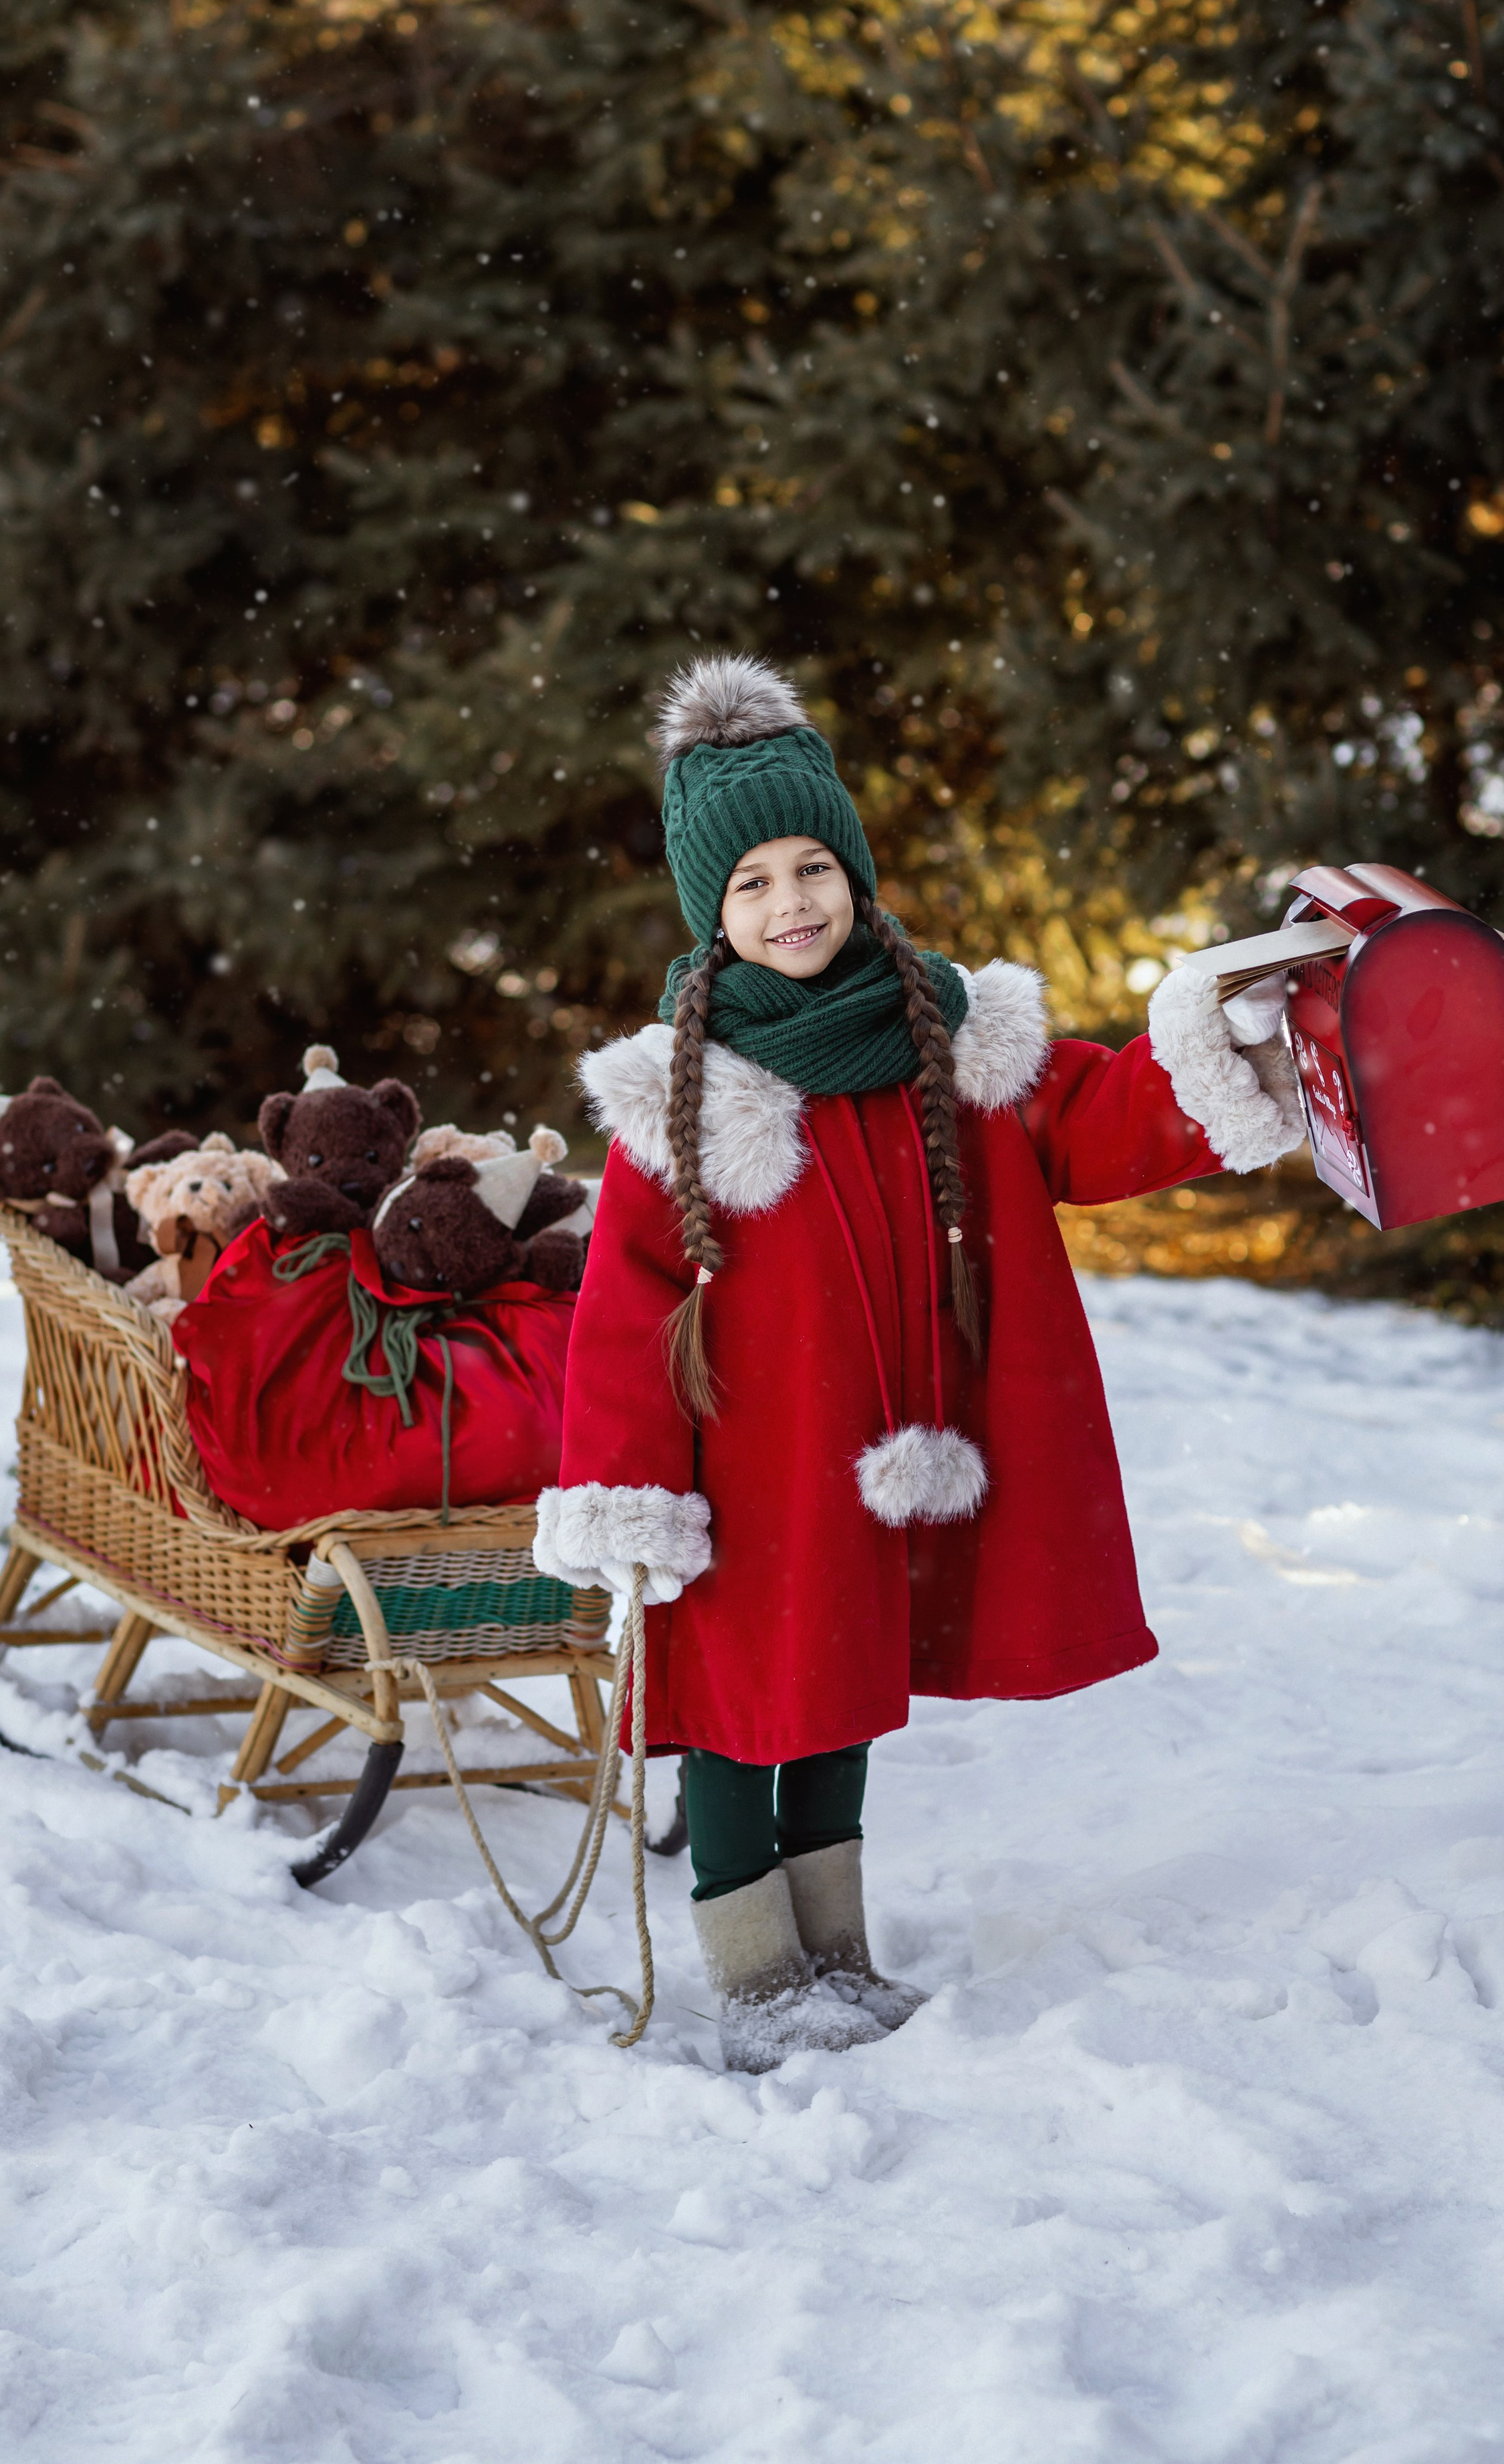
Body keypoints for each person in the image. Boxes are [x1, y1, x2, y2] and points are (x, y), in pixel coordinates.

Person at [533, 654, 1301, 2070]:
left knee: (838, 1688)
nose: (789, 903)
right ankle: (756, 1975)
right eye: (751, 882)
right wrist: (632, 1496)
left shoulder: (950, 1036)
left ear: (855, 866)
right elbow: (623, 1315)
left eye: (811, 865)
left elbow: (1097, 1117)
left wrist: (1216, 1038)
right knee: (737, 1715)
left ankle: (837, 1954)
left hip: (889, 1449)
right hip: (744, 1473)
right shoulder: (682, 1097)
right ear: (711, 908)